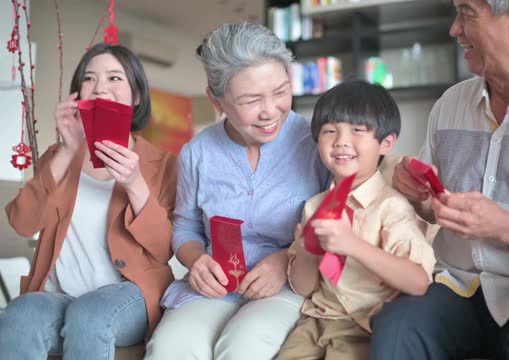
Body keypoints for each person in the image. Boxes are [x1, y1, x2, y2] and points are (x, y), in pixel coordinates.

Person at [369, 0, 509, 359]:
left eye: (467, 13)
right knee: (396, 327)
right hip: (455, 285)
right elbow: (432, 209)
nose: (454, 28)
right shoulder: (449, 105)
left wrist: (508, 227)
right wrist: (421, 197)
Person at [144, 22, 331, 360]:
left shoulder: (317, 143)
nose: (270, 110)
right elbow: (186, 226)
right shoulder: (196, 154)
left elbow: (331, 225)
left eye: (280, 91)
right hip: (215, 288)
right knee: (171, 347)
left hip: (288, 284)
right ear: (217, 101)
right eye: (251, 100)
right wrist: (196, 260)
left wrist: (283, 260)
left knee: (244, 346)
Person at [0, 43, 177, 360]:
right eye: (89, 79)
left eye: (114, 78)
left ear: (136, 95)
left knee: (91, 314)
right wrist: (67, 150)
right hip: (60, 295)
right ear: (78, 94)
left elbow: (164, 248)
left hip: (130, 295)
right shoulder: (59, 156)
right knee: (20, 313)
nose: (99, 88)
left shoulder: (162, 164)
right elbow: (22, 222)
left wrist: (134, 183)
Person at [276, 80, 436, 360]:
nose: (340, 141)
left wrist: (352, 245)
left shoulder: (391, 206)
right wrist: (305, 252)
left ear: (386, 142)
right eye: (329, 131)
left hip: (366, 326)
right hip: (315, 321)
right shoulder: (315, 206)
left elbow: (419, 281)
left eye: (357, 130)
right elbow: (304, 287)